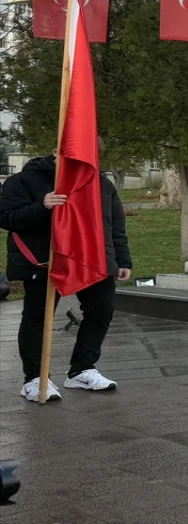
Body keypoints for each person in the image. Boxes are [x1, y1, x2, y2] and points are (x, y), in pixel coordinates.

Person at [1, 150, 131, 402]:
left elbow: (115, 224)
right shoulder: (24, 180)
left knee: (101, 311)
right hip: (45, 259)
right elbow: (6, 217)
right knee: (38, 317)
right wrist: (42, 206)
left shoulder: (102, 183)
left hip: (94, 260)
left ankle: (82, 370)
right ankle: (35, 379)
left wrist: (122, 259)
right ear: (58, 150)